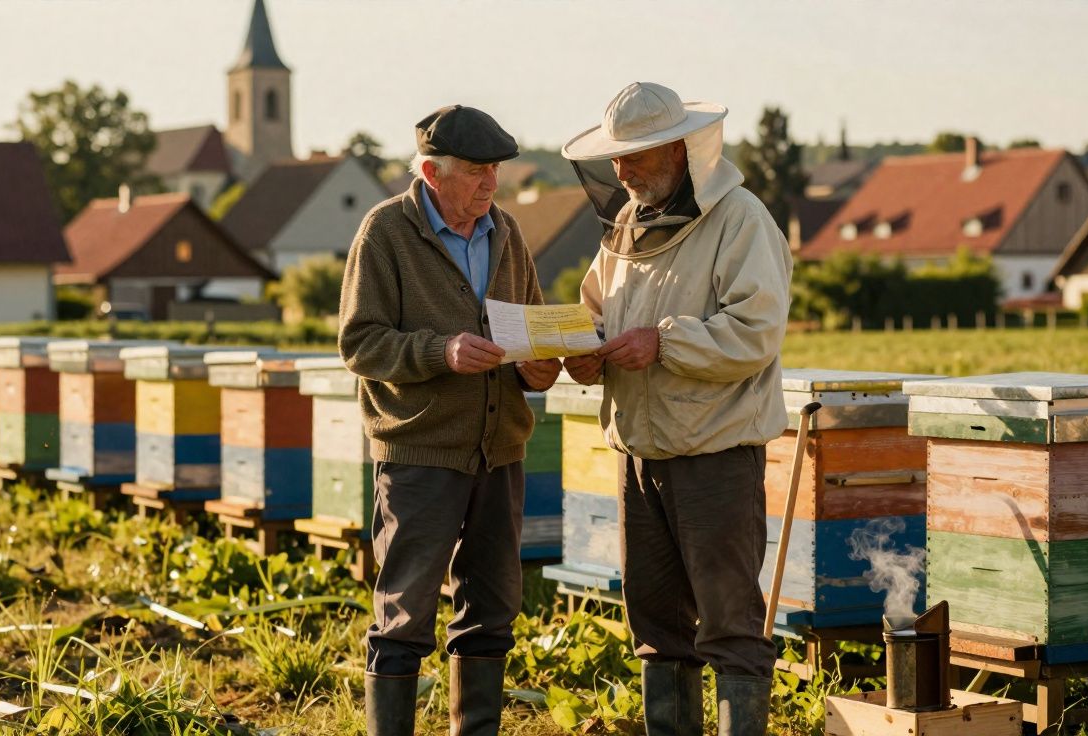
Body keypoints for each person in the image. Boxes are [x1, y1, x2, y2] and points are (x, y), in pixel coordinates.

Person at [561, 82, 794, 736]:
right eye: (614, 158)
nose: (621, 172)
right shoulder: (623, 229)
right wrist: (582, 352)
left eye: (634, 157)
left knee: (729, 625)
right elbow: (595, 313)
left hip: (715, 457)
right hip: (638, 455)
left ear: (678, 148)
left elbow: (756, 330)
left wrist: (664, 342)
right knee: (656, 626)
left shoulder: (741, 219)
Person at [338, 104, 561, 736]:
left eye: (496, 170)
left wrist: (539, 367)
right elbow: (360, 343)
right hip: (419, 454)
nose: (492, 184)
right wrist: (442, 351)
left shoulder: (507, 232)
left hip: (500, 452)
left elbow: (531, 327)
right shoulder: (385, 232)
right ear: (433, 172)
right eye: (477, 172)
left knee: (491, 612)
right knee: (404, 617)